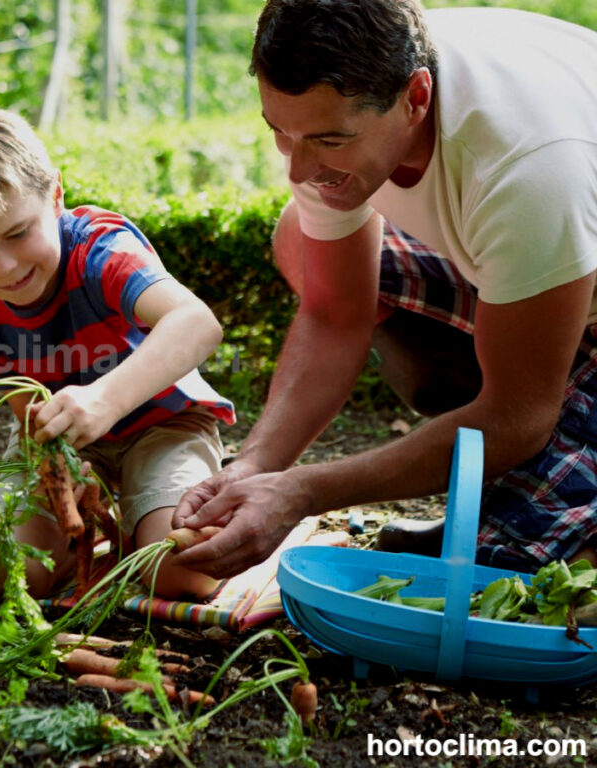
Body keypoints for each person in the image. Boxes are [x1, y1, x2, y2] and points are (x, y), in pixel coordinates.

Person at [171, 0, 597, 577]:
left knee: (508, 578)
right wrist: (254, 468)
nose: (298, 170)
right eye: (280, 132)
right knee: (301, 239)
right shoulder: (359, 86)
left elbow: (518, 415)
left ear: (415, 99)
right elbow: (334, 313)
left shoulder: (528, 168)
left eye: (329, 141)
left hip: (563, 256)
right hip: (549, 267)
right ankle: (519, 457)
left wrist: (302, 493)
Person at [0, 105, 235, 599]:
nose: (4, 268)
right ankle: (105, 533)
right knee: (14, 576)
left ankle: (168, 517)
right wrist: (60, 464)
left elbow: (198, 323)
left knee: (182, 572)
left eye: (17, 233)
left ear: (55, 196)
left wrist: (106, 401)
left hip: (163, 424)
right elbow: (25, 410)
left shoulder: (101, 250)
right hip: (62, 443)